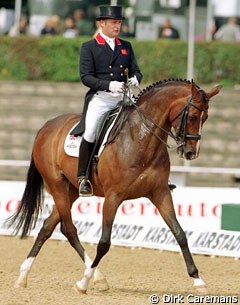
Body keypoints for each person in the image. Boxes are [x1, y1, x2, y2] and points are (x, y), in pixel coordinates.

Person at [76, 5, 142, 196]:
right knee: (90, 132)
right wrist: (108, 85)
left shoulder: (126, 46)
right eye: (113, 22)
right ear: (102, 23)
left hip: (124, 96)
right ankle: (83, 177)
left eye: (119, 22)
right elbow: (85, 77)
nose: (117, 26)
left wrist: (136, 78)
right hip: (102, 97)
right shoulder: (89, 47)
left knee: (149, 123)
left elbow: (136, 70)